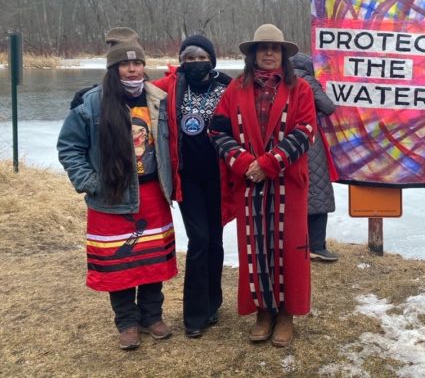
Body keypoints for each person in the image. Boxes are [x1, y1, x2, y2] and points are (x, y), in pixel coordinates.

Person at [57, 27, 176, 350]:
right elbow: (70, 148)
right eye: (125, 64)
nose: (133, 69)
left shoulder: (157, 99)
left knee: (152, 262)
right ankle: (127, 323)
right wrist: (90, 182)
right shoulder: (92, 103)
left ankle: (152, 317)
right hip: (111, 198)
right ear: (114, 68)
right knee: (120, 265)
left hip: (152, 196)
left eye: (137, 63)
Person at [208, 23, 315, 348]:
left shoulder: (301, 90)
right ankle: (264, 312)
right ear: (253, 53)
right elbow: (217, 130)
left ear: (283, 54)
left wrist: (268, 164)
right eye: (263, 48)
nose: (269, 53)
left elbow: (305, 131)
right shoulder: (236, 89)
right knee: (255, 248)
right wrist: (244, 164)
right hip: (250, 184)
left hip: (287, 184)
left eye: (275, 48)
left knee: (289, 249)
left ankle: (286, 315)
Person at [153, 34, 231, 337]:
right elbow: (132, 92)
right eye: (189, 58)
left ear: (212, 59)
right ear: (182, 61)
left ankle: (213, 303)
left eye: (201, 57)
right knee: (199, 241)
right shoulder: (171, 86)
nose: (195, 63)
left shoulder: (228, 86)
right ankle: (195, 316)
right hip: (188, 179)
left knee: (215, 241)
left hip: (222, 177)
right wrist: (91, 93)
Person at [290, 52, 339, 262]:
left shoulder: (281, 81)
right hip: (310, 142)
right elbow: (328, 107)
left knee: (294, 193)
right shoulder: (308, 81)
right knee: (318, 192)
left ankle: (296, 244)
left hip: (285, 140)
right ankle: (317, 246)